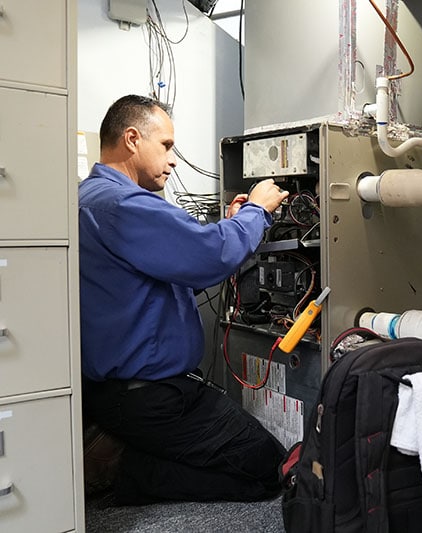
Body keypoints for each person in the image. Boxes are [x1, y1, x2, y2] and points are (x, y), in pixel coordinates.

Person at [79, 94, 290, 505]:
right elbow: (209, 257)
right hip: (151, 397)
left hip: (125, 392)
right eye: (166, 146)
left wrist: (230, 227)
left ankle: (122, 452)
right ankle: (123, 472)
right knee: (270, 470)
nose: (173, 160)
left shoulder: (91, 198)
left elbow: (167, 280)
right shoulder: (122, 205)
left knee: (250, 457)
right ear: (132, 139)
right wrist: (258, 212)